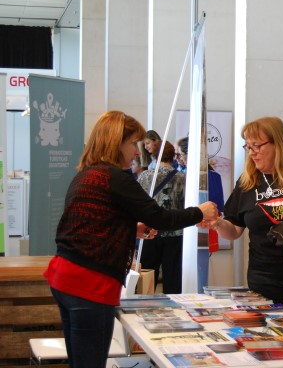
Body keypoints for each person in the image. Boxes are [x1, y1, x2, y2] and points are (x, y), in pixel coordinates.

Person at [44, 111, 218, 368]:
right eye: (132, 144)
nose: (137, 152)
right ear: (116, 143)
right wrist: (199, 212)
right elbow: (159, 217)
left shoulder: (86, 174)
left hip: (65, 277)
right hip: (89, 283)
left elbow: (90, 224)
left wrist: (128, 228)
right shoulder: (116, 177)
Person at [210, 116, 283, 304]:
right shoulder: (247, 182)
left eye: (257, 146)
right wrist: (217, 222)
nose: (252, 153)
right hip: (264, 277)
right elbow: (234, 230)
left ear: (277, 144)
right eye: (248, 147)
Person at [137, 141, 187, 294]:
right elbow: (185, 206)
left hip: (149, 232)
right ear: (173, 156)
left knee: (146, 277)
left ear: (154, 155)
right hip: (175, 233)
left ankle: (143, 305)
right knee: (173, 278)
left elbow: (137, 204)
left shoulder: (144, 176)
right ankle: (173, 306)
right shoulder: (182, 178)